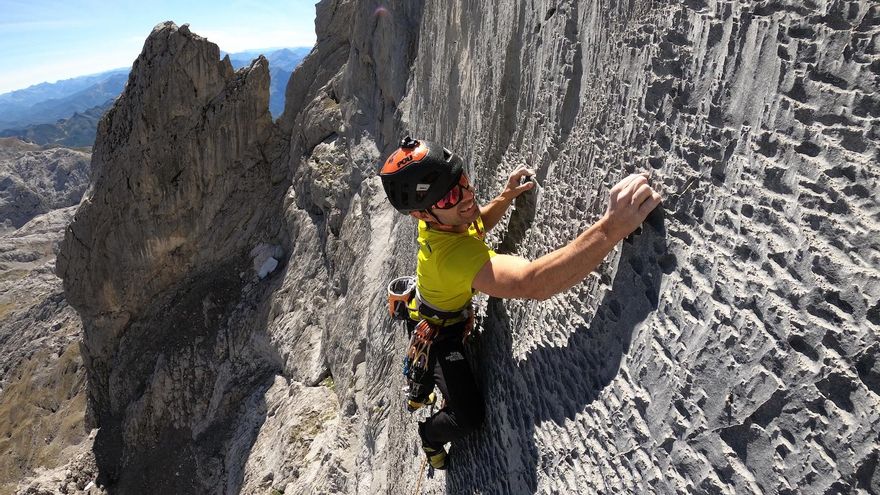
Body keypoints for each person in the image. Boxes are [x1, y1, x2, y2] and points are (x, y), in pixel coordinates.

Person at [378, 136, 662, 470]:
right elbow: (532, 282)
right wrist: (613, 227)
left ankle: (424, 390)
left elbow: (475, 224)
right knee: (468, 416)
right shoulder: (451, 256)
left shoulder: (445, 221)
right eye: (452, 196)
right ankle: (429, 435)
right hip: (440, 334)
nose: (467, 196)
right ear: (421, 214)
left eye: (462, 181)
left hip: (438, 307)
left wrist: (505, 197)